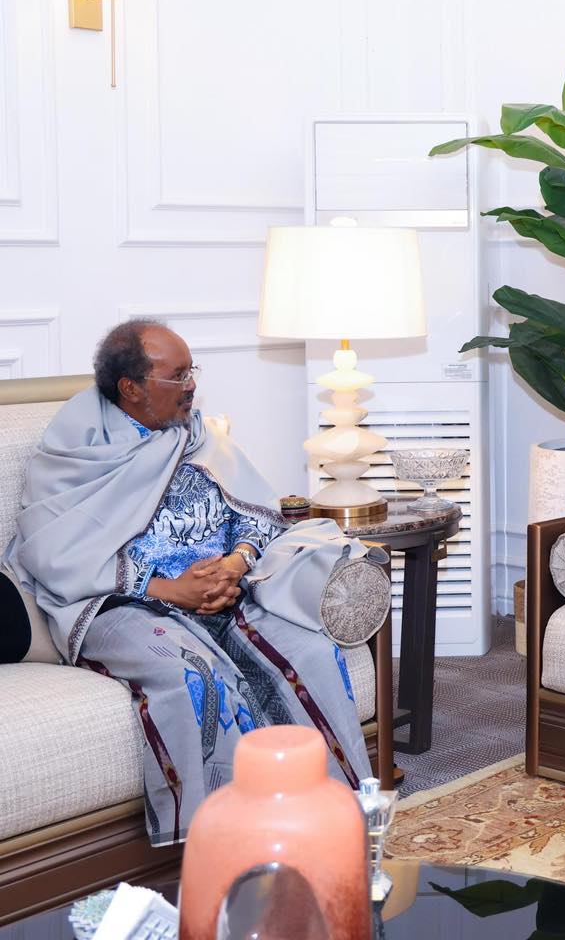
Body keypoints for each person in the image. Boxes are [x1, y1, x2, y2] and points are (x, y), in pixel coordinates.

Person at [5, 319, 371, 846]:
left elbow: (256, 510)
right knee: (195, 676)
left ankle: (331, 817)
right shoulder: (74, 452)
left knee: (310, 652)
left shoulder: (197, 434)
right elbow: (51, 552)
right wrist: (169, 589)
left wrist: (237, 563)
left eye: (191, 370)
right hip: (122, 604)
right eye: (178, 376)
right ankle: (222, 843)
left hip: (227, 590)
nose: (192, 385)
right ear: (131, 387)